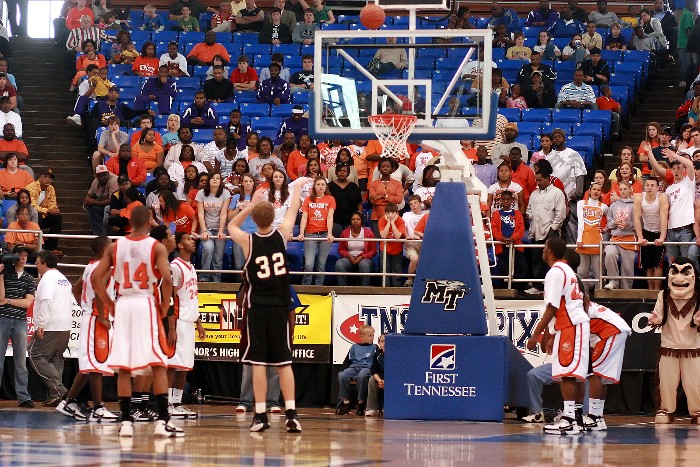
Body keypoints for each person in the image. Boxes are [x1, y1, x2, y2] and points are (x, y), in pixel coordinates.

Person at [91, 205, 182, 438]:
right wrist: (165, 306)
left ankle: (126, 422)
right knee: (158, 362)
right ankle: (163, 421)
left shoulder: (115, 246)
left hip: (123, 304)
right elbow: (167, 279)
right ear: (149, 220)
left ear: (130, 221)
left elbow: (96, 278)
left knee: (124, 366)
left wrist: (109, 304)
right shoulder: (156, 246)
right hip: (145, 302)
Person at [227, 181, 306, 433]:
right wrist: (297, 189)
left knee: (259, 363)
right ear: (274, 217)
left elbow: (231, 226)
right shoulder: (282, 234)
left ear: (255, 218)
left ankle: (260, 415)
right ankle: (291, 414)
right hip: (280, 308)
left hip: (258, 308)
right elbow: (292, 210)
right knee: (284, 363)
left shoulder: (248, 241)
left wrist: (251, 204)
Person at [526, 237, 589, 435]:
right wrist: (553, 334)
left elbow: (552, 307)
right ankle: (575, 417)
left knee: (567, 374)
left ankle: (569, 419)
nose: (542, 251)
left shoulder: (555, 272)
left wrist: (536, 334)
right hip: (572, 323)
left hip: (571, 324)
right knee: (572, 374)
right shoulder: (567, 270)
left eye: (544, 247)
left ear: (550, 251)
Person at [56, 236, 118, 421]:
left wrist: (86, 309)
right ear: (104, 249)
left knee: (88, 365)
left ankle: (69, 402)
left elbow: (76, 290)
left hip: (92, 317)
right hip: (97, 319)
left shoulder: (90, 267)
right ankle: (98, 408)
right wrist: (100, 315)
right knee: (96, 365)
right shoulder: (103, 268)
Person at [166, 232, 205, 418]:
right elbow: (171, 298)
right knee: (172, 364)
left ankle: (176, 403)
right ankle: (166, 403)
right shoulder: (175, 267)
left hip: (189, 321)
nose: (193, 241)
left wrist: (198, 322)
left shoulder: (191, 267)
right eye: (189, 239)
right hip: (178, 321)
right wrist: (171, 327)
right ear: (180, 245)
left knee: (184, 365)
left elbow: (192, 297)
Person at [28, 251, 73, 407]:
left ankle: (61, 391)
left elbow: (46, 301)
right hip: (65, 325)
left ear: (44, 263)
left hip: (50, 325)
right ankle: (55, 396)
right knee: (56, 358)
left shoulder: (47, 279)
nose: (36, 265)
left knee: (34, 353)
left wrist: (41, 323)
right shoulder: (63, 279)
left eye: (37, 262)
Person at [0, 245, 35, 408]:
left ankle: (24, 397)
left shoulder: (29, 278)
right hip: (3, 318)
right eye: (20, 254)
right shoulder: (5, 273)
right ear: (13, 257)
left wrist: (8, 300)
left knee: (20, 361)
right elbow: (0, 297)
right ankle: (23, 396)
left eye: (25, 255)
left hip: (20, 320)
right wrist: (0, 275)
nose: (23, 257)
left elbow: (27, 303)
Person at [647, 149, 695, 262]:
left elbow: (689, 163)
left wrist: (674, 155)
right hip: (671, 230)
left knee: (685, 263)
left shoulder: (689, 182)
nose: (676, 171)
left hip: (685, 229)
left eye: (679, 168)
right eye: (673, 168)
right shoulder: (668, 189)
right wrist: (649, 152)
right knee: (672, 263)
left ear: (684, 169)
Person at [525, 166, 567, 294]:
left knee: (551, 259)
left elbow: (560, 213)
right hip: (536, 230)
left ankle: (551, 286)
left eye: (540, 180)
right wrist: (529, 216)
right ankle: (538, 286)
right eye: (536, 180)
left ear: (547, 179)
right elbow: (529, 210)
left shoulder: (557, 193)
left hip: (551, 231)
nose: (537, 183)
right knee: (536, 258)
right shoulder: (534, 194)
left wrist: (553, 228)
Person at [297, 176, 335, 285]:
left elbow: (330, 217)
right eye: (318, 184)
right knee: (309, 265)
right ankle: (306, 288)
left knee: (321, 265)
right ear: (314, 186)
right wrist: (301, 233)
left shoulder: (330, 199)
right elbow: (304, 217)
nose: (320, 186)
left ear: (326, 186)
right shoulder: (308, 199)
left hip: (324, 235)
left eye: (323, 184)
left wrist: (330, 233)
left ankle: (319, 289)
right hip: (310, 234)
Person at [634, 177, 668, 291]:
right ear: (644, 186)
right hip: (647, 231)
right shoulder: (639, 197)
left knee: (658, 264)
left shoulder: (662, 197)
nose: (649, 188)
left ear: (658, 187)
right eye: (647, 185)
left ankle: (657, 291)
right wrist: (640, 237)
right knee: (648, 264)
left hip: (659, 232)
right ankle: (651, 291)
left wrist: (662, 237)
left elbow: (664, 218)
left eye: (652, 185)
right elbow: (636, 218)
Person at [196, 172, 231, 282]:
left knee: (218, 255)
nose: (215, 180)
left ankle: (216, 280)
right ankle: (204, 277)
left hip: (221, 227)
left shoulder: (225, 193)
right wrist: (204, 231)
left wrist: (221, 231)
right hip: (206, 227)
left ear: (220, 181)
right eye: (213, 178)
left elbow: (224, 213)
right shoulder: (201, 193)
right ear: (209, 180)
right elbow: (200, 213)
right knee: (208, 248)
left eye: (217, 178)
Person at [336, 325, 377, 416]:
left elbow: (375, 362)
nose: (372, 338)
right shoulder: (354, 347)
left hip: (367, 367)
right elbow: (349, 360)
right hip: (354, 367)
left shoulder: (374, 347)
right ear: (362, 337)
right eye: (370, 336)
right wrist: (345, 369)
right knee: (342, 375)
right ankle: (345, 402)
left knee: (361, 376)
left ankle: (361, 402)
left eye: (373, 336)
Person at [603, 181, 637, 290]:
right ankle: (613, 281)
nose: (622, 191)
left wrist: (628, 225)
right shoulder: (613, 205)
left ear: (630, 190)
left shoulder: (635, 205)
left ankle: (627, 292)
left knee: (627, 269)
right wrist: (614, 223)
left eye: (625, 189)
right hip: (615, 238)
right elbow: (609, 223)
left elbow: (639, 224)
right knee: (609, 253)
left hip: (629, 239)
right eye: (621, 189)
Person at [575, 181, 607, 294]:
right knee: (582, 271)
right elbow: (580, 222)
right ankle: (584, 295)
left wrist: (605, 229)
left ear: (601, 192)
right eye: (594, 189)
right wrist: (579, 239)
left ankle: (600, 295)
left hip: (597, 240)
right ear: (589, 191)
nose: (596, 192)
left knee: (598, 272)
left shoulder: (604, 207)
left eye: (598, 190)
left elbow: (610, 220)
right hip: (583, 240)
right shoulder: (581, 203)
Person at [491, 190, 526, 293]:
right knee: (503, 269)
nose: (505, 201)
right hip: (501, 247)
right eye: (503, 199)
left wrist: (513, 238)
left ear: (512, 201)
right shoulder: (496, 214)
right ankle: (504, 290)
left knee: (520, 267)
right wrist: (501, 238)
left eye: (508, 199)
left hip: (516, 246)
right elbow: (493, 229)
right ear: (500, 201)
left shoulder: (517, 214)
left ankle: (520, 290)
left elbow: (521, 228)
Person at [27, 169, 63, 256]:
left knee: (57, 217)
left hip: (43, 216)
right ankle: (38, 245)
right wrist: (47, 210)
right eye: (45, 177)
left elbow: (52, 204)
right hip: (30, 216)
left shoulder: (51, 188)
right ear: (39, 177)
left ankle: (52, 247)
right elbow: (31, 206)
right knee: (37, 214)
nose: (48, 179)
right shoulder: (31, 187)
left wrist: (54, 210)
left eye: (50, 178)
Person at [335, 212, 376, 287]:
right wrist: (348, 256)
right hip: (349, 259)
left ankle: (365, 289)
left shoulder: (369, 233)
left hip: (364, 259)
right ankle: (342, 288)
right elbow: (340, 249)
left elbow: (373, 251)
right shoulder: (345, 233)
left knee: (364, 265)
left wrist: (362, 257)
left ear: (361, 221)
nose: (355, 221)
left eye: (358, 219)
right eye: (353, 219)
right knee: (339, 264)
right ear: (350, 221)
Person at [367, 158, 404, 238]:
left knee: (392, 241)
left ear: (392, 169)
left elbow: (399, 199)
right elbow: (372, 200)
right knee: (378, 241)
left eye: (388, 166)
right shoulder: (373, 183)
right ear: (379, 169)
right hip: (377, 217)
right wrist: (391, 199)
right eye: (383, 166)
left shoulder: (397, 183)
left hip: (393, 217)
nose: (385, 168)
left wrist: (383, 196)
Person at [378, 203, 406, 287]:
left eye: (393, 213)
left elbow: (397, 236)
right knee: (384, 269)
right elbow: (383, 236)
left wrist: (393, 223)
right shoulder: (381, 220)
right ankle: (385, 288)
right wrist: (388, 223)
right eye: (388, 213)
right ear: (385, 213)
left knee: (397, 270)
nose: (390, 215)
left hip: (397, 249)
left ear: (396, 213)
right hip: (385, 249)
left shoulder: (400, 221)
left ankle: (396, 288)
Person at [84, 164, 118, 236]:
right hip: (102, 204)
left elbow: (112, 201)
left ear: (108, 173)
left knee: (106, 208)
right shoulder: (95, 182)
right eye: (99, 175)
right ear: (96, 176)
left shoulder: (113, 180)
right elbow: (89, 195)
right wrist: (86, 202)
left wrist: (93, 202)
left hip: (115, 207)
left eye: (104, 174)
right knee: (91, 208)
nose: (102, 177)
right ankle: (98, 233)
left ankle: (103, 234)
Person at [365, 333, 385, 417]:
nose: (385, 344)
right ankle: (372, 408)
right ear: (379, 343)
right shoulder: (377, 355)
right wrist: (380, 381)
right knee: (372, 380)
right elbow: (374, 371)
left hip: (393, 378)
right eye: (382, 341)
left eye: (387, 341)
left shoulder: (397, 355)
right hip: (380, 379)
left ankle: (387, 407)